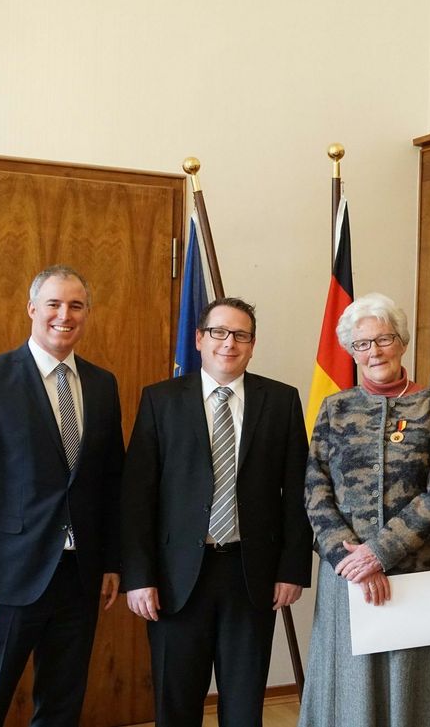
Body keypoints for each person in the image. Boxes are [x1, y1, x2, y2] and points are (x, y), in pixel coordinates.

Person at [0, 265, 124, 727]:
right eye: (54, 304)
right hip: (4, 583)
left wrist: (112, 562)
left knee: (61, 708)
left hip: (78, 578)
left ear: (87, 314)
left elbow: (110, 484)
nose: (65, 315)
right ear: (32, 309)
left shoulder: (102, 385)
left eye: (76, 306)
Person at [121, 297, 311, 727]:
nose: (230, 343)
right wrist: (139, 576)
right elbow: (137, 497)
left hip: (252, 574)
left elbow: (298, 492)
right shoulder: (161, 400)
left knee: (244, 708)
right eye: (219, 333)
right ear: (200, 339)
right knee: (177, 705)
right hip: (175, 578)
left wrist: (293, 568)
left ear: (252, 344)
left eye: (240, 335)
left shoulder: (280, 401)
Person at [299, 292, 430, 727]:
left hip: (413, 572)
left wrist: (381, 553)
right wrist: (350, 557)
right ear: (352, 352)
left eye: (384, 339)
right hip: (346, 572)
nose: (374, 352)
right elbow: (315, 487)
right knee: (348, 686)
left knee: (410, 690)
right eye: (362, 344)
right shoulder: (335, 408)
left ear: (402, 342)